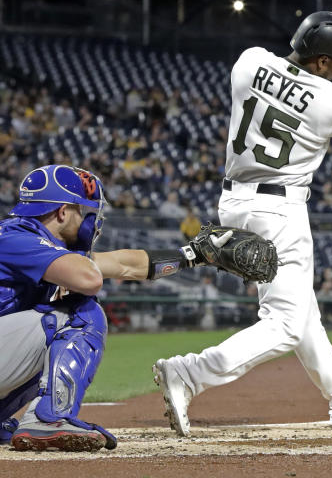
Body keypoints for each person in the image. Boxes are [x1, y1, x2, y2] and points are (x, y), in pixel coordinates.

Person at [152, 11, 332, 436]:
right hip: (279, 212)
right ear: (322, 61)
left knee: (301, 311)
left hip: (233, 202)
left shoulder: (249, 61)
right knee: (285, 324)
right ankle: (191, 373)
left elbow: (295, 91)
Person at [0, 164, 232, 451]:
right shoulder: (16, 237)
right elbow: (89, 278)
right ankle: (48, 418)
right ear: (62, 212)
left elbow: (125, 264)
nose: (89, 221)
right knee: (80, 313)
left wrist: (194, 255)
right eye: (80, 211)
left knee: (53, 344)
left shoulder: (27, 241)